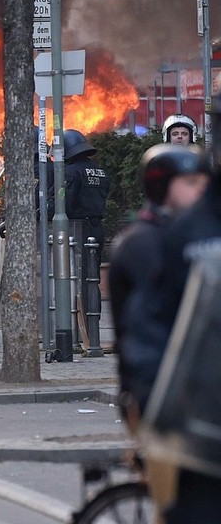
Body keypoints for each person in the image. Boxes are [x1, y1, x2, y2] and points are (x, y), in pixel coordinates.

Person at [122, 101, 221, 523]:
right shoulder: (161, 239)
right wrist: (155, 401)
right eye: (188, 182)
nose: (197, 190)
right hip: (185, 408)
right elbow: (149, 324)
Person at [108, 143, 209, 423]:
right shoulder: (142, 243)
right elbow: (148, 330)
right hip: (160, 390)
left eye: (203, 182)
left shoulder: (193, 235)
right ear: (160, 185)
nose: (200, 190)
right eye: (190, 182)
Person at [48, 129, 111, 315]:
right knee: (92, 278)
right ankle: (92, 322)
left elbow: (61, 204)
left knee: (74, 278)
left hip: (76, 231)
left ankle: (77, 323)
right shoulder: (99, 170)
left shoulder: (69, 172)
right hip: (96, 229)